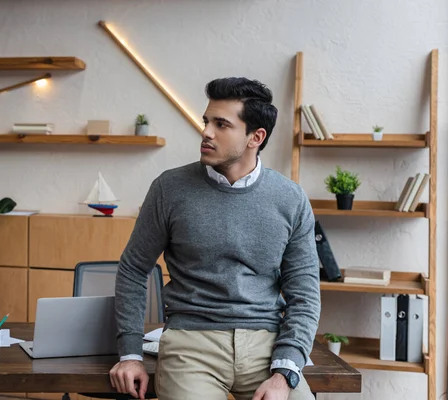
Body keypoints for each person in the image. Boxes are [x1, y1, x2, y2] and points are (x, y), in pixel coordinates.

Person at [109, 77, 321, 400]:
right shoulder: (169, 189)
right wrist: (130, 354)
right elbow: (134, 269)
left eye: (222, 124)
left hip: (266, 345)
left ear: (256, 137)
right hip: (191, 343)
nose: (206, 132)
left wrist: (284, 374)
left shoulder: (290, 199)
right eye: (207, 121)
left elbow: (304, 294)